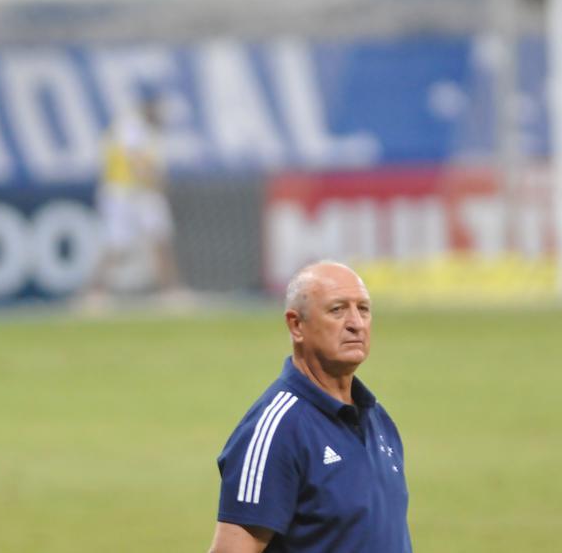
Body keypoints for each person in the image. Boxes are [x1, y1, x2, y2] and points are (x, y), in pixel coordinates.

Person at [207, 261, 412, 553]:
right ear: (296, 325)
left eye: (363, 309)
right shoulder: (278, 430)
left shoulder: (377, 418)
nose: (356, 323)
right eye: (337, 310)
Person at [83, 93, 186, 309]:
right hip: (125, 193)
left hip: (142, 192)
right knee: (117, 244)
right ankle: (95, 293)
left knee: (160, 238)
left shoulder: (146, 130)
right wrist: (155, 180)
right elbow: (136, 160)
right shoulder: (131, 125)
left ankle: (170, 291)